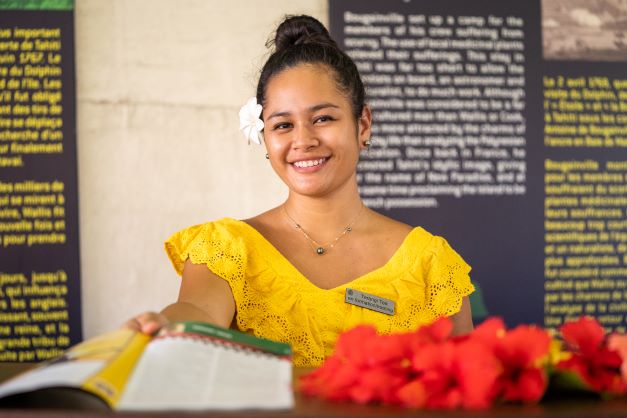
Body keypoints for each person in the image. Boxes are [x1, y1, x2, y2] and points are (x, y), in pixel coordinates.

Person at [126, 15, 474, 367]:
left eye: (323, 118)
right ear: (265, 136)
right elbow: (197, 310)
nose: (303, 140)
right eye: (283, 125)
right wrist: (170, 325)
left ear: (363, 124)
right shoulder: (226, 248)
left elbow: (465, 386)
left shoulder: (432, 264)